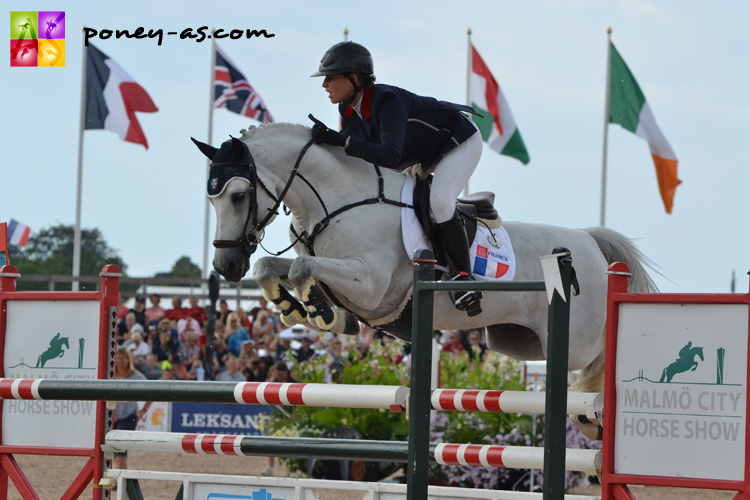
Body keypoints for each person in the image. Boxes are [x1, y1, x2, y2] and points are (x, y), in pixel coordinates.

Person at [310, 41, 483, 315]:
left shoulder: (386, 100)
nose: (325, 85)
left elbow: (389, 156)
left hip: (457, 141)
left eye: (331, 77)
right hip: (418, 154)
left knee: (439, 201)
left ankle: (464, 278)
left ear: (354, 78)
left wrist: (342, 141)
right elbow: (359, 160)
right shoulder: (347, 109)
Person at [113, 348, 151, 471]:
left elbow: (152, 392)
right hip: (112, 416)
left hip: (129, 416)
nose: (120, 361)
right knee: (113, 446)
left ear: (128, 360)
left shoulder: (136, 376)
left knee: (120, 444)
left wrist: (144, 410)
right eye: (118, 358)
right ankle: (120, 475)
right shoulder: (111, 375)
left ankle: (120, 475)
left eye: (122, 358)